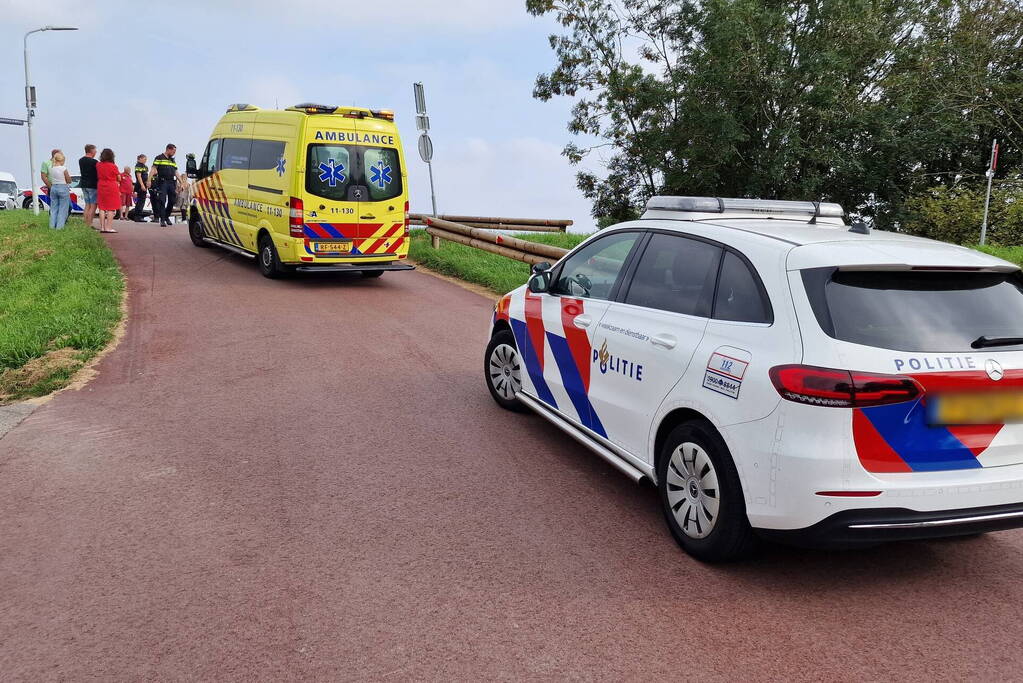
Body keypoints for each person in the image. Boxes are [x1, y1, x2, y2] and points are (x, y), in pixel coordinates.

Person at [148, 143, 178, 226]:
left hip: (171, 182)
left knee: (172, 201)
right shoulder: (159, 158)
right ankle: (162, 220)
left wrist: (182, 182)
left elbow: (176, 172)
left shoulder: (172, 160)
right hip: (162, 182)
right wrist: (149, 180)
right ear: (168, 149)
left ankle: (166, 216)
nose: (174, 153)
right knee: (162, 200)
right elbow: (153, 169)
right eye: (173, 151)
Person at [95, 148, 120, 234]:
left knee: (102, 207)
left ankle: (102, 227)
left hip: (101, 185)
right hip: (111, 186)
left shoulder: (98, 165)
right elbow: (118, 177)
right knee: (111, 208)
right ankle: (108, 227)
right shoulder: (113, 166)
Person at [47, 151, 73, 230]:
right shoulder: (63, 168)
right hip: (63, 188)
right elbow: (69, 180)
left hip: (53, 188)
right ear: (61, 160)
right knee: (63, 209)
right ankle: (59, 227)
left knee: (54, 208)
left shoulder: (51, 168)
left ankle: (51, 226)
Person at [79, 144, 99, 228]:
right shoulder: (94, 162)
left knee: (87, 204)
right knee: (93, 205)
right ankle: (89, 223)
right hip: (92, 185)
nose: (96, 152)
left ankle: (85, 223)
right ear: (91, 151)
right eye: (95, 150)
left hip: (83, 183)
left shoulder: (81, 160)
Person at [131, 154, 148, 221]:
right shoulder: (138, 165)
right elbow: (139, 176)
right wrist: (142, 185)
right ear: (140, 158)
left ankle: (139, 215)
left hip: (144, 185)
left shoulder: (145, 166)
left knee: (142, 201)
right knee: (141, 201)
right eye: (144, 159)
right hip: (140, 185)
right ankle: (138, 216)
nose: (145, 160)